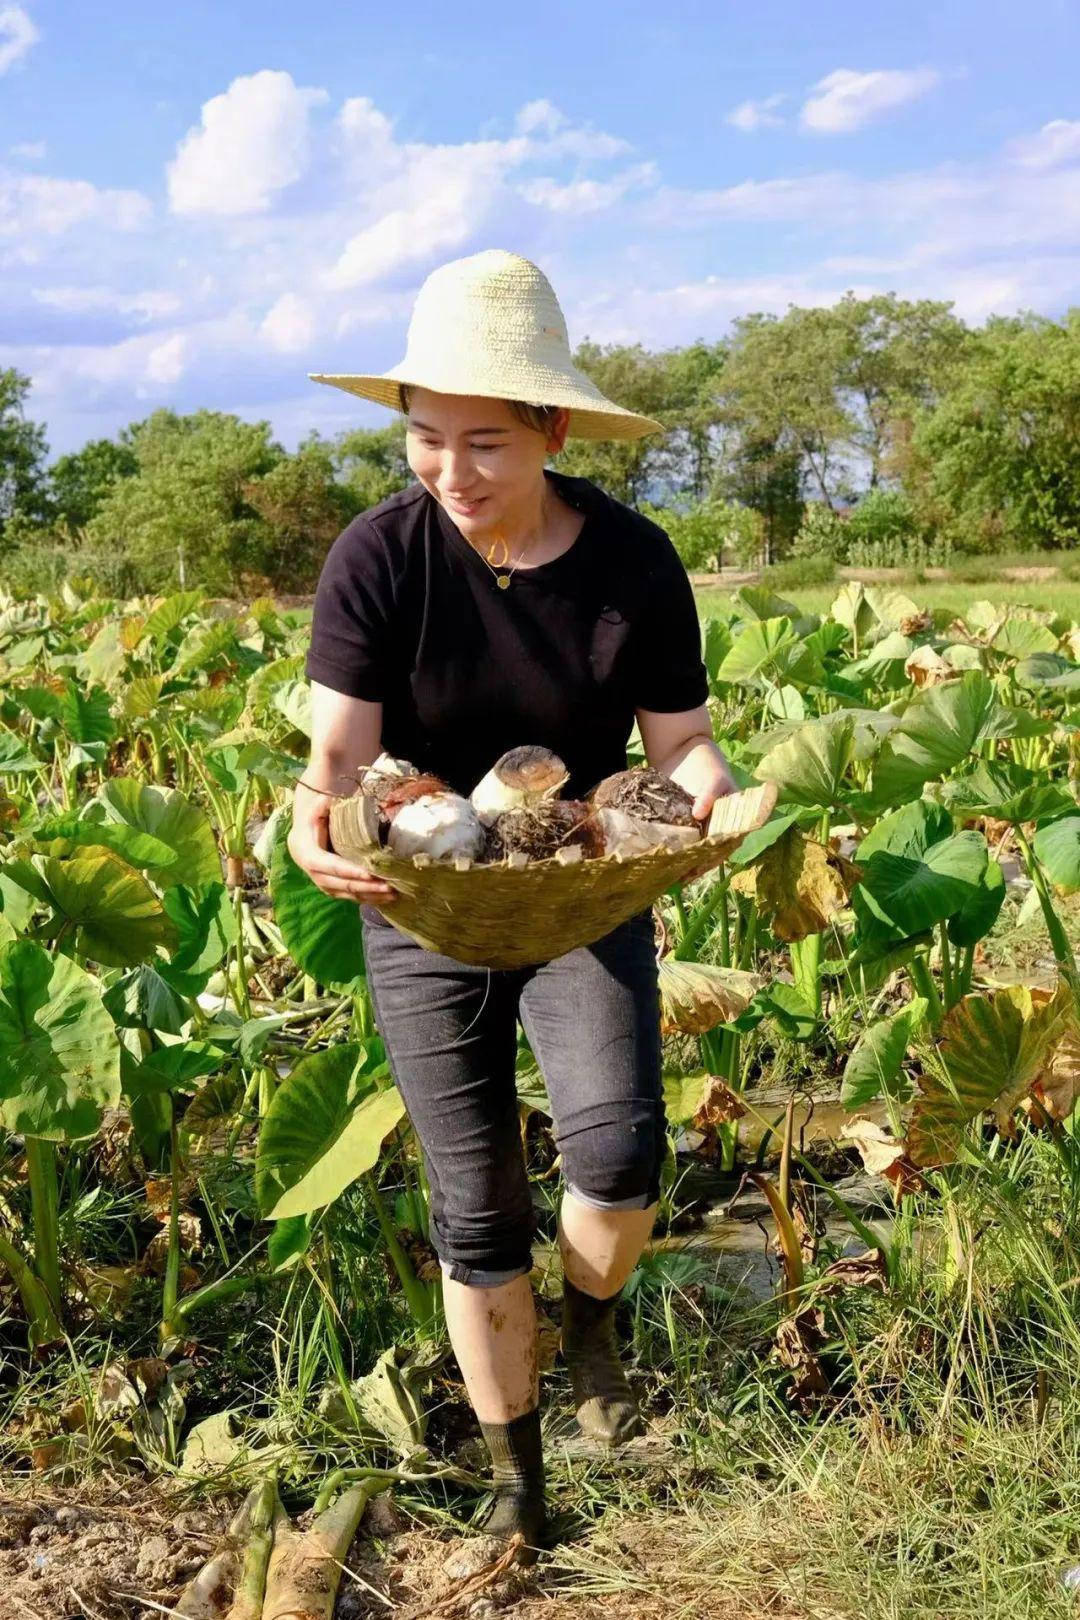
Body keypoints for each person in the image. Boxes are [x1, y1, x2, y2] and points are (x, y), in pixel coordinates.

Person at [288, 249, 735, 1573]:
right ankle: (517, 1483)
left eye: (485, 441)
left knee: (616, 1149)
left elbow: (684, 744)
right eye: (427, 439)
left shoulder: (633, 563)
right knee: (475, 1209)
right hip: (419, 896)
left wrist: (724, 800)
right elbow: (336, 757)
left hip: (578, 882)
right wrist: (311, 827)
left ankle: (593, 1317)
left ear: (551, 430)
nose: (452, 470)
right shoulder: (378, 557)